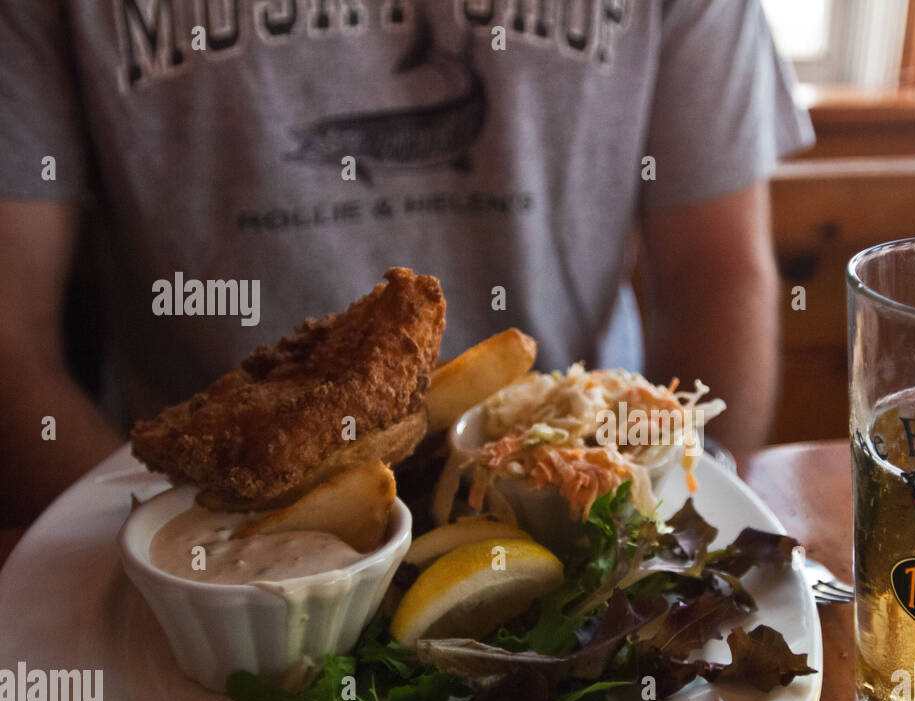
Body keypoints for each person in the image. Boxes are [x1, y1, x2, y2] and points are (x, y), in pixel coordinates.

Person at [0, 0, 813, 530]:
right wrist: (158, 562)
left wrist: (668, 526)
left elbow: (717, 276)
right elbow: (11, 342)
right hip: (185, 515)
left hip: (566, 492)